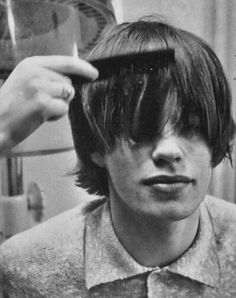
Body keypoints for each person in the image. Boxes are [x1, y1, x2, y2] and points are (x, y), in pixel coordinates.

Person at [0, 16, 236, 297]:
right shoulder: (27, 267)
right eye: (142, 128)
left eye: (193, 128)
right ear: (97, 146)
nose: (169, 151)